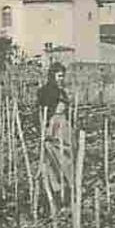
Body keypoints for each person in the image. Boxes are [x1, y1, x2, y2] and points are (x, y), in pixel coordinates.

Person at [37, 62, 74, 202]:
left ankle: (68, 184)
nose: (61, 78)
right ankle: (56, 187)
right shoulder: (46, 91)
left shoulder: (62, 91)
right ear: (52, 76)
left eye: (62, 76)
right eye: (58, 76)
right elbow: (42, 111)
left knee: (67, 154)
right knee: (52, 156)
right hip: (53, 126)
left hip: (63, 126)